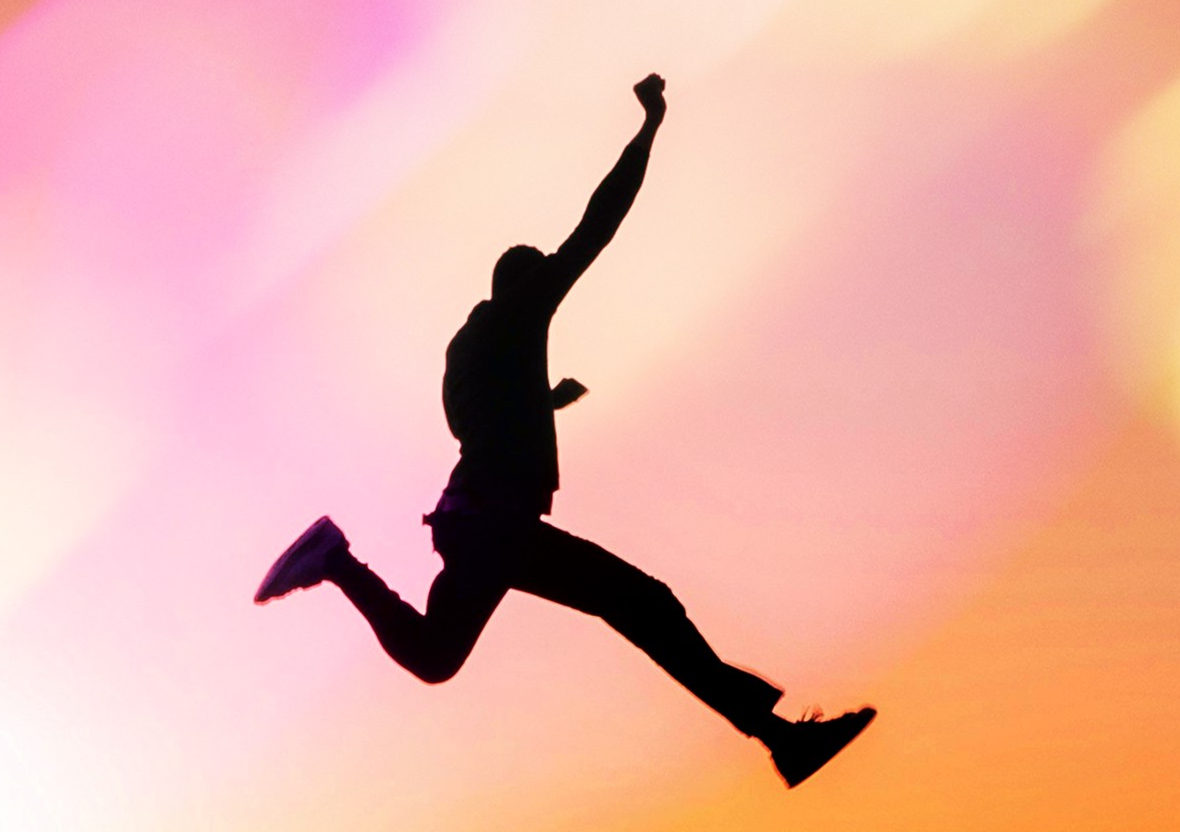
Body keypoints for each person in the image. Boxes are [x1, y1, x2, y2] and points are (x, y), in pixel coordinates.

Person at [255, 73, 875, 788]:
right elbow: (597, 225)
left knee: (438, 656)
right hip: (494, 525)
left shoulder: (470, 347)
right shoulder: (520, 312)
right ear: (522, 285)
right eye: (542, 276)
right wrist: (648, 129)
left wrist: (541, 401)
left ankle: (335, 560)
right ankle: (781, 740)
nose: (553, 280)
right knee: (642, 603)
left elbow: (470, 425)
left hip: (475, 521)